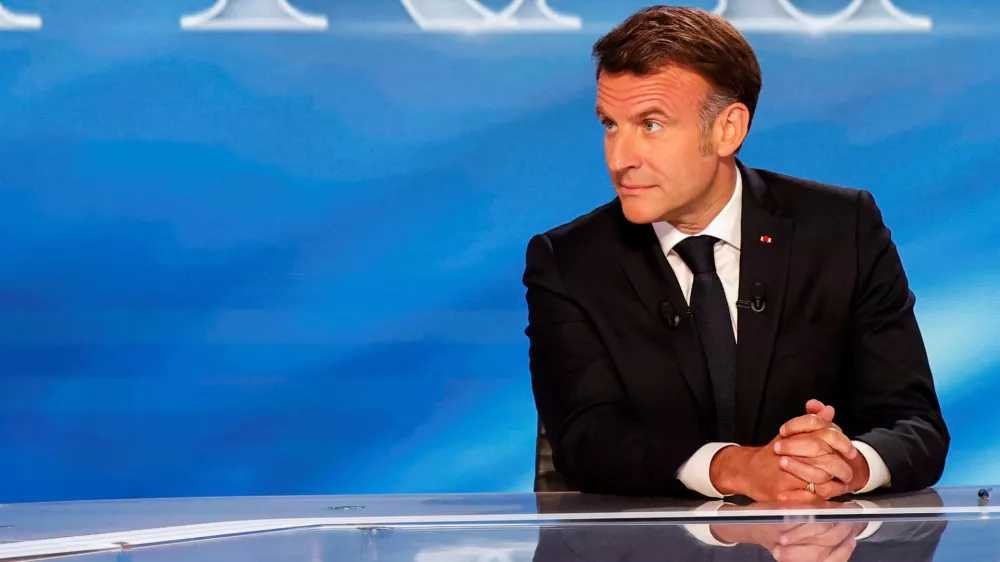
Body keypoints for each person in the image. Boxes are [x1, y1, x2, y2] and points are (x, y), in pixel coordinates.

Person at [523, 5, 949, 501]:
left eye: (651, 125)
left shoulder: (842, 230)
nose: (620, 158)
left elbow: (914, 423)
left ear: (728, 129)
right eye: (611, 125)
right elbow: (586, 440)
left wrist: (848, 466)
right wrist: (736, 467)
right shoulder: (569, 261)